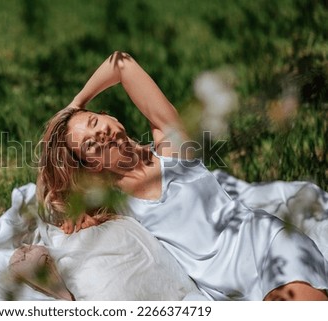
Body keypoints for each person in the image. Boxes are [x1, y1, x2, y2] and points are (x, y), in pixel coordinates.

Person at [35, 51, 328, 301]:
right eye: (90, 144)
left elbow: (121, 63)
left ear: (109, 116)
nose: (100, 133)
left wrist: (75, 105)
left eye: (95, 121)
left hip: (268, 247)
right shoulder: (113, 197)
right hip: (223, 290)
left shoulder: (172, 147)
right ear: (93, 165)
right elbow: (52, 193)